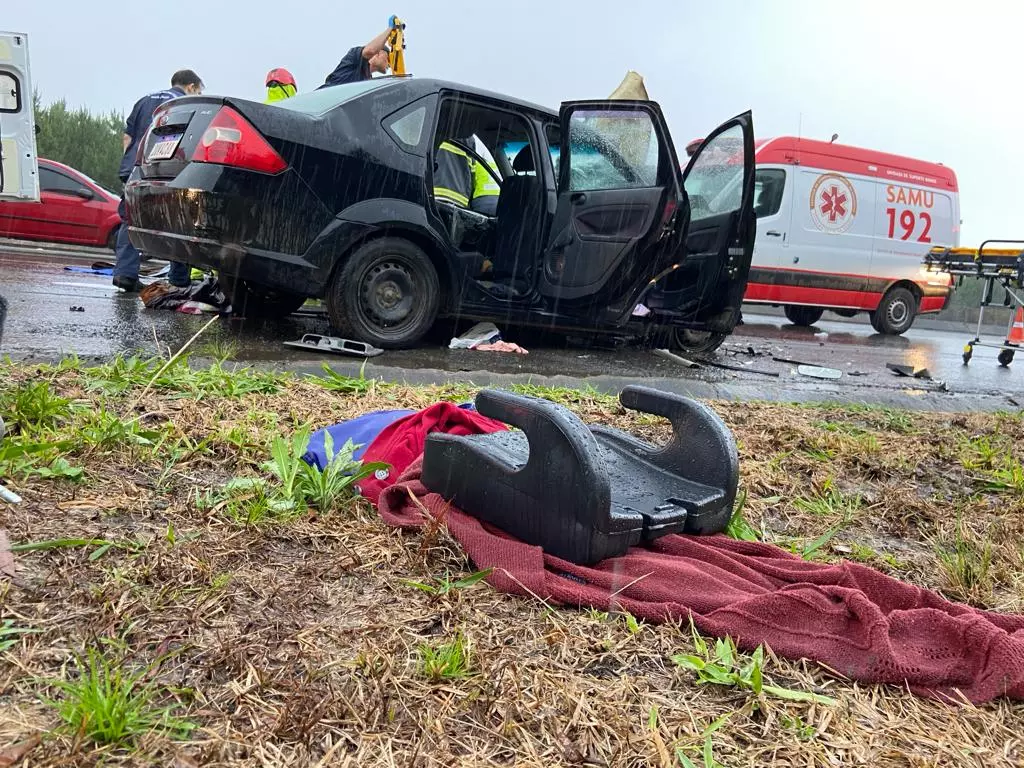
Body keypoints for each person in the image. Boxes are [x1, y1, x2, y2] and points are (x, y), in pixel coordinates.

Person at [113, 70, 203, 293]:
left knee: (130, 220)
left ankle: (125, 274)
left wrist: (134, 165)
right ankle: (179, 279)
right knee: (179, 220)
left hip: (136, 169)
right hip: (168, 170)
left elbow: (127, 138)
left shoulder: (145, 100)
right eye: (199, 89)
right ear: (191, 86)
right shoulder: (184, 103)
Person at [319, 17, 399, 88]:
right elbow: (370, 51)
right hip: (323, 101)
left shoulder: (367, 82)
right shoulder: (354, 57)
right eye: (388, 58)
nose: (389, 64)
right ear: (377, 53)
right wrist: (390, 28)